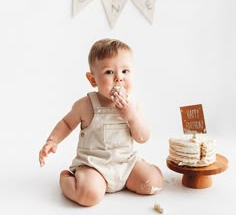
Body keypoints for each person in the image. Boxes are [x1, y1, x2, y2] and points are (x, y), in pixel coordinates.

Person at [39, 38, 163, 207]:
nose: (119, 78)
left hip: (125, 163)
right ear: (93, 79)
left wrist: (132, 117)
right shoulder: (85, 105)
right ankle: (68, 180)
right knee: (88, 195)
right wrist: (52, 141)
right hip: (94, 166)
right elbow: (67, 123)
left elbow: (143, 137)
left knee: (154, 183)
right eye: (109, 72)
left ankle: (139, 171)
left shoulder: (133, 105)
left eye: (125, 71)